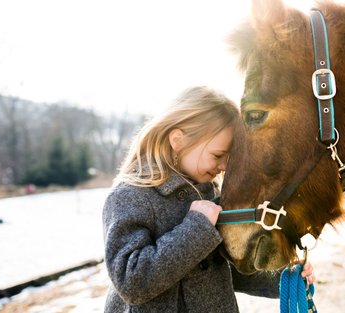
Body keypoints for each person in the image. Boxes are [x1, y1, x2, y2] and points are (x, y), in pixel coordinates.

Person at [102, 86, 314, 312]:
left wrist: (281, 277)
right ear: (178, 140)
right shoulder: (130, 196)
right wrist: (197, 227)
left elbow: (222, 267)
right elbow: (131, 283)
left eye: (229, 158)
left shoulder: (209, 193)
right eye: (218, 155)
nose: (224, 167)